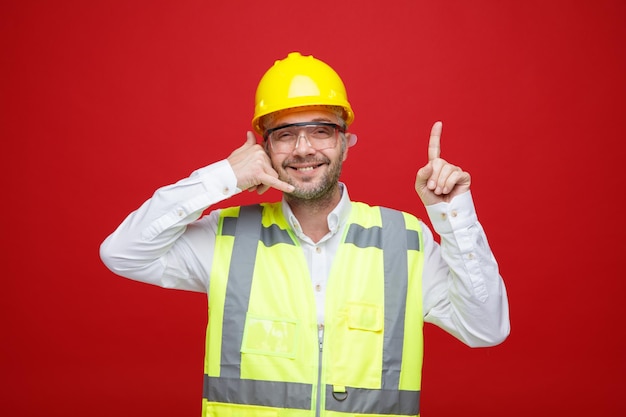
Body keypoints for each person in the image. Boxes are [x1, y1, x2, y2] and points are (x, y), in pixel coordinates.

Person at [100, 51, 510, 417]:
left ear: (345, 142)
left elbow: (485, 329)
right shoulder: (226, 238)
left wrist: (452, 212)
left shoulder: (405, 241)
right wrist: (224, 176)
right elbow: (122, 253)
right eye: (284, 134)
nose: (303, 148)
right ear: (263, 150)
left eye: (320, 131)